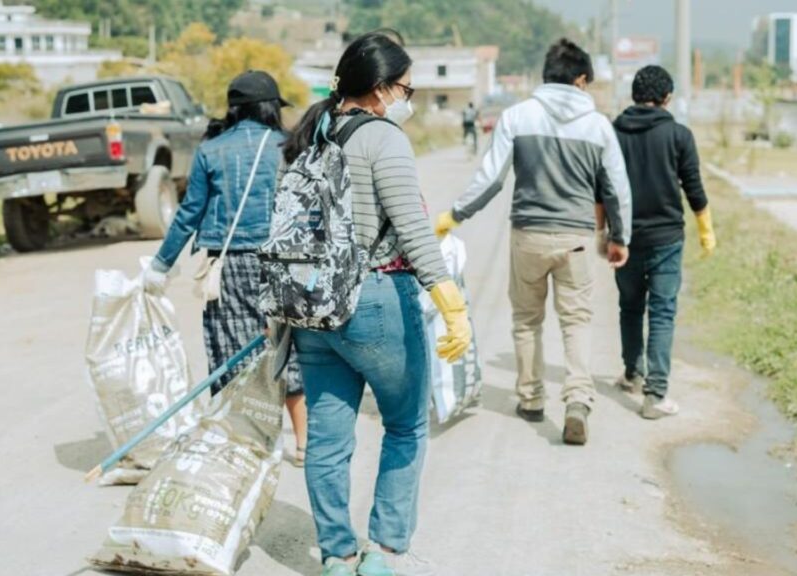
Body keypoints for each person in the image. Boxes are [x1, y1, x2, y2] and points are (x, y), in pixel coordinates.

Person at [282, 31, 471, 576]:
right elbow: (411, 226)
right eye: (406, 89)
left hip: (314, 306)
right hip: (375, 299)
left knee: (328, 438)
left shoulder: (313, 135)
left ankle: (337, 555)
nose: (407, 100)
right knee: (407, 424)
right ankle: (383, 552)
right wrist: (448, 297)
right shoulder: (382, 138)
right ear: (381, 89)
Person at [435, 38, 632, 446]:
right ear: (580, 79)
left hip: (529, 235)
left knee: (527, 320)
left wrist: (455, 215)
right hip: (577, 237)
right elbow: (616, 188)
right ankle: (577, 400)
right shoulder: (598, 126)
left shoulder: (517, 116)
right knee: (576, 321)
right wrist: (619, 237)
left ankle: (530, 398)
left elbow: (489, 179)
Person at [141, 70, 309, 464]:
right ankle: (303, 443)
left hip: (229, 265)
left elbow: (188, 214)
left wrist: (161, 264)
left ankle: (253, 443)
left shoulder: (211, 150)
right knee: (290, 349)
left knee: (234, 352)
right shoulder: (288, 146)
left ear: (233, 109)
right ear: (270, 107)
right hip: (282, 263)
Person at [610, 65, 716, 419]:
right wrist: (705, 229)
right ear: (667, 97)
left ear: (634, 96)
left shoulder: (613, 132)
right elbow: (693, 188)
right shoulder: (679, 135)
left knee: (630, 306)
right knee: (662, 313)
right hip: (667, 238)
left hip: (623, 237)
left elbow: (602, 186)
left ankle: (632, 373)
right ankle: (655, 395)